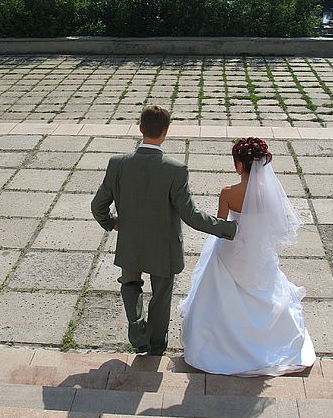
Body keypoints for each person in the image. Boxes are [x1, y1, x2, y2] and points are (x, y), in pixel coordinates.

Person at [91, 105, 237, 356]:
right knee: (161, 294)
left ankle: (137, 332)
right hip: (164, 247)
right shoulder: (175, 170)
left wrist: (112, 223)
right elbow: (190, 215)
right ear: (166, 132)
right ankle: (157, 344)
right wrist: (227, 228)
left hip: (131, 243)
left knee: (130, 284)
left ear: (140, 128)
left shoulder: (117, 164)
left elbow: (98, 206)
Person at [179, 137, 315, 376]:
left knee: (216, 272)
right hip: (258, 252)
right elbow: (274, 226)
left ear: (239, 165)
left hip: (232, 251)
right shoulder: (270, 193)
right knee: (267, 286)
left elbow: (221, 226)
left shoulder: (228, 193)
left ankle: (222, 338)